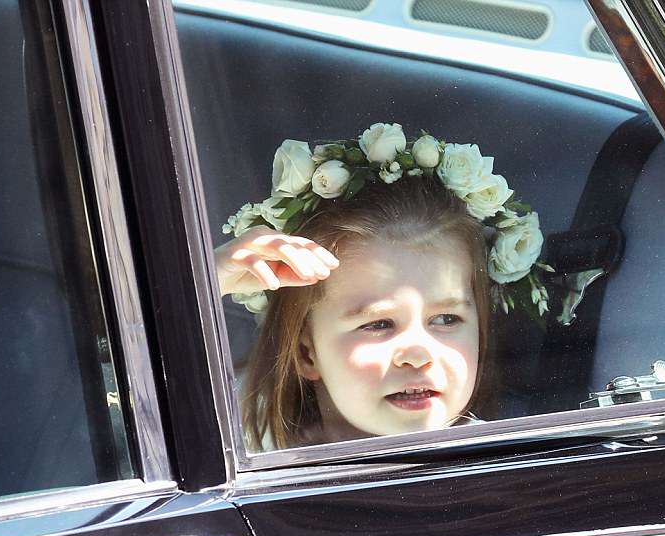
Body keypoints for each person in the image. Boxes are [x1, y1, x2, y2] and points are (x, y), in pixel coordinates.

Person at [214, 123, 551, 451]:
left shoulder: (506, 460)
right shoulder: (242, 455)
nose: (418, 355)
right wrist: (213, 277)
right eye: (378, 324)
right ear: (306, 352)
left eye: (447, 319)